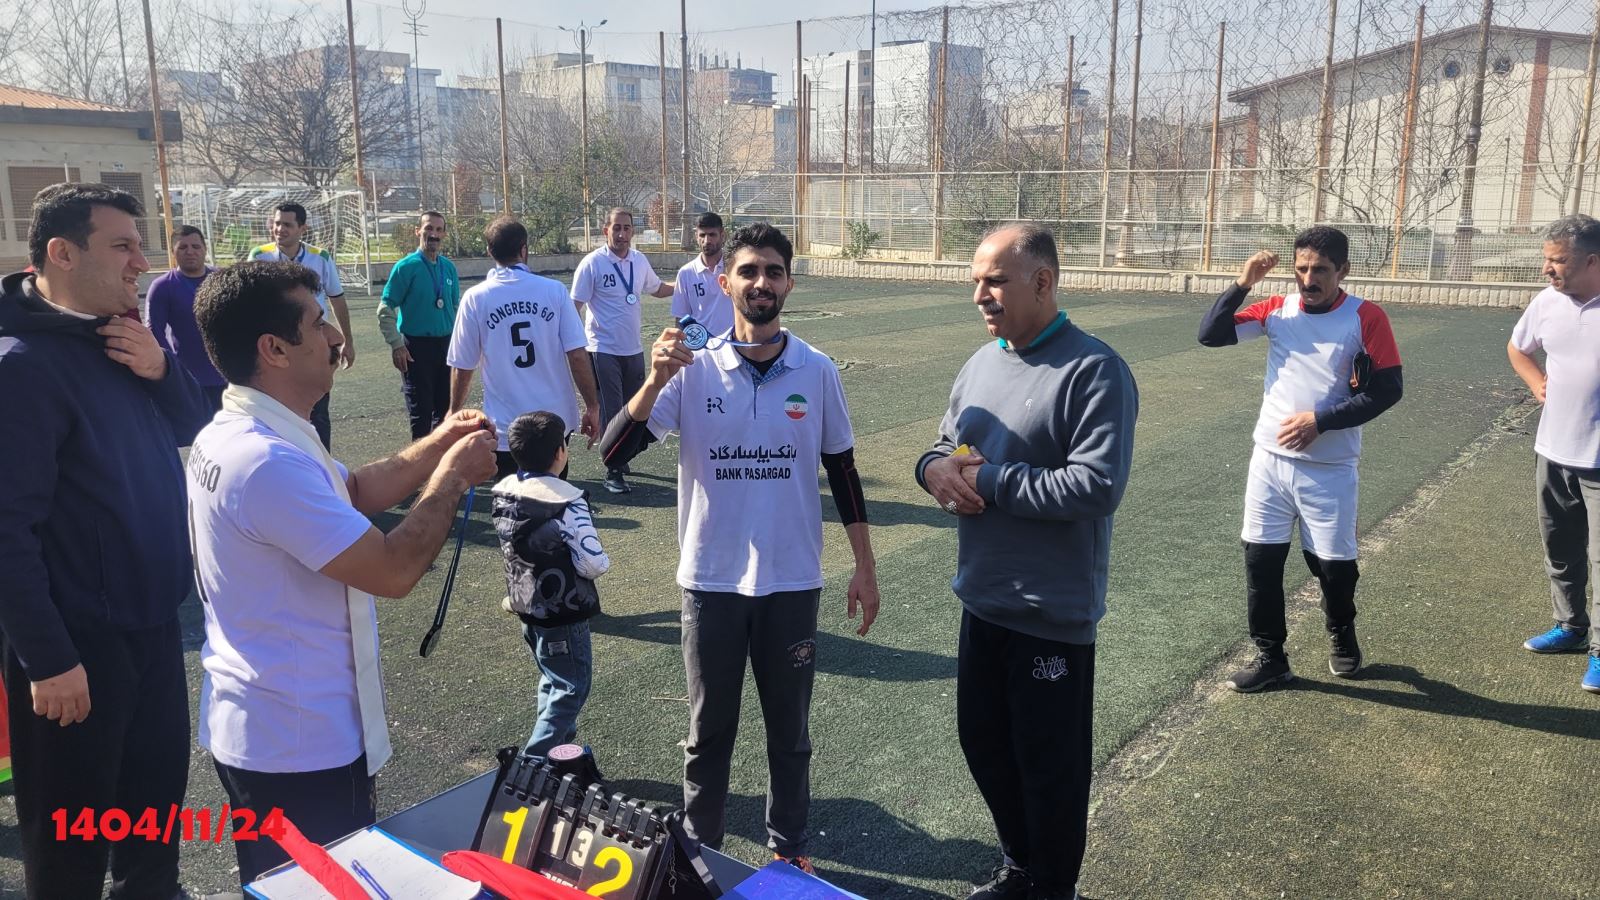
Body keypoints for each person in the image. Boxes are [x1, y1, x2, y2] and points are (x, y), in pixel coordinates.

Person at [189, 261, 498, 885]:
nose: (336, 336)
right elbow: (393, 569)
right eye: (318, 323)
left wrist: (439, 440)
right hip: (299, 744)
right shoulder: (265, 460)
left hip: (270, 725)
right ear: (274, 349)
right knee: (321, 889)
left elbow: (350, 491)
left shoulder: (248, 431)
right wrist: (454, 477)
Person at [599, 222, 880, 875]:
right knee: (708, 734)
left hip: (792, 581)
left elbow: (842, 471)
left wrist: (864, 566)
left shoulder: (817, 369)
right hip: (711, 581)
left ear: (790, 284)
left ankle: (790, 849)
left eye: (773, 271)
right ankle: (702, 855)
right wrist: (653, 380)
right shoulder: (690, 367)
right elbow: (613, 451)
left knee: (790, 734)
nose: (761, 283)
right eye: (748, 271)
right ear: (724, 282)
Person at [0, 183, 210, 899]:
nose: (141, 262)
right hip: (76, 650)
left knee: (153, 817)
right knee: (71, 842)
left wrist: (161, 368)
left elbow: (191, 424)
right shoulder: (20, 366)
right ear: (62, 254)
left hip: (153, 625)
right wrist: (49, 658)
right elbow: (6, 531)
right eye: (122, 245)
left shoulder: (121, 337)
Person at [915, 224, 1137, 900]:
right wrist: (931, 469)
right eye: (975, 282)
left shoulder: (1094, 370)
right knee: (984, 746)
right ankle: (1022, 869)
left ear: (1043, 282)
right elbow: (948, 445)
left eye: (994, 281)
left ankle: (1054, 890)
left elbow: (1095, 486)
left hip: (1050, 613)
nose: (979, 295)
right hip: (983, 597)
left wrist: (987, 480)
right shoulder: (981, 364)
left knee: (1050, 770)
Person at [1197, 225, 1403, 692]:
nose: (1309, 279)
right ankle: (1271, 657)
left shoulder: (1365, 316)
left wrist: (1320, 421)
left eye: (1320, 270)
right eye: (1302, 269)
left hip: (1330, 468)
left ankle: (1341, 628)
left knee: (1333, 569)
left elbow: (1388, 390)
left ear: (1343, 271)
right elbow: (1211, 335)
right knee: (1261, 563)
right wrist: (1243, 282)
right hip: (1268, 463)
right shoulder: (1277, 309)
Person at [1507, 214, 1600, 693]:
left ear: (1592, 261)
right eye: (1547, 259)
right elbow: (1518, 347)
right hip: (1553, 450)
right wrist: (1536, 382)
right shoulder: (1547, 301)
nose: (1547, 269)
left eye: (1558, 261)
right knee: (1559, 546)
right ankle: (1570, 626)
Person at [492, 411, 609, 756]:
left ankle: (558, 755)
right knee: (571, 688)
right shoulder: (567, 502)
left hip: (526, 603)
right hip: (564, 611)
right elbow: (593, 563)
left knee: (552, 678)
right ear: (560, 451)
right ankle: (533, 763)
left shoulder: (503, 494)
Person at [449, 216, 601, 478]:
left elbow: (462, 367)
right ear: (524, 249)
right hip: (553, 421)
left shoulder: (475, 298)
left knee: (511, 498)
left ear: (489, 252)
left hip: (506, 426)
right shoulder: (554, 291)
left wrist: (453, 413)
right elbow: (577, 355)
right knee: (554, 494)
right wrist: (592, 406)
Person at [572, 207, 675, 494]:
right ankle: (613, 471)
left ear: (632, 231)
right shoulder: (592, 263)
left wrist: (688, 282)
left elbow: (657, 289)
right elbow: (574, 306)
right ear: (605, 230)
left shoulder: (638, 261)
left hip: (633, 350)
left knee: (634, 409)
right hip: (602, 349)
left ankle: (621, 455)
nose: (621, 234)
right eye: (616, 228)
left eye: (626, 228)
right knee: (612, 410)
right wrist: (576, 345)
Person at [250, 202, 353, 449]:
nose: (280, 229)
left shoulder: (321, 257)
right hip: (276, 348)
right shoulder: (259, 256)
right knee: (279, 411)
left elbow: (337, 298)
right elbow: (250, 302)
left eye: (287, 224)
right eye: (277, 223)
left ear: (302, 228)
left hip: (312, 346)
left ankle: (322, 465)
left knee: (318, 412)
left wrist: (348, 341)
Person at [379, 211, 461, 439]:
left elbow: (455, 308)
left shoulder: (449, 268)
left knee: (446, 413)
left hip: (446, 347)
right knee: (421, 414)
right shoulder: (406, 267)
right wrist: (397, 345)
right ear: (418, 231)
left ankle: (442, 458)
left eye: (438, 229)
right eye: (428, 228)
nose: (433, 234)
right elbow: (385, 308)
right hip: (416, 349)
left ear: (444, 234)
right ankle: (420, 461)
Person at [147, 224, 226, 413]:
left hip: (227, 377)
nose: (190, 252)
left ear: (205, 249)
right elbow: (154, 331)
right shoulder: (163, 287)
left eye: (196, 246)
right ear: (173, 252)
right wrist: (172, 369)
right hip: (189, 380)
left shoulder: (222, 280)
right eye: (183, 247)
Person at [671, 212, 733, 339]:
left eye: (712, 235)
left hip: (733, 344)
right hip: (701, 346)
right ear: (696, 236)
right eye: (702, 235)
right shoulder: (686, 273)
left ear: (722, 235)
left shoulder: (735, 269)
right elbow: (680, 317)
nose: (707, 240)